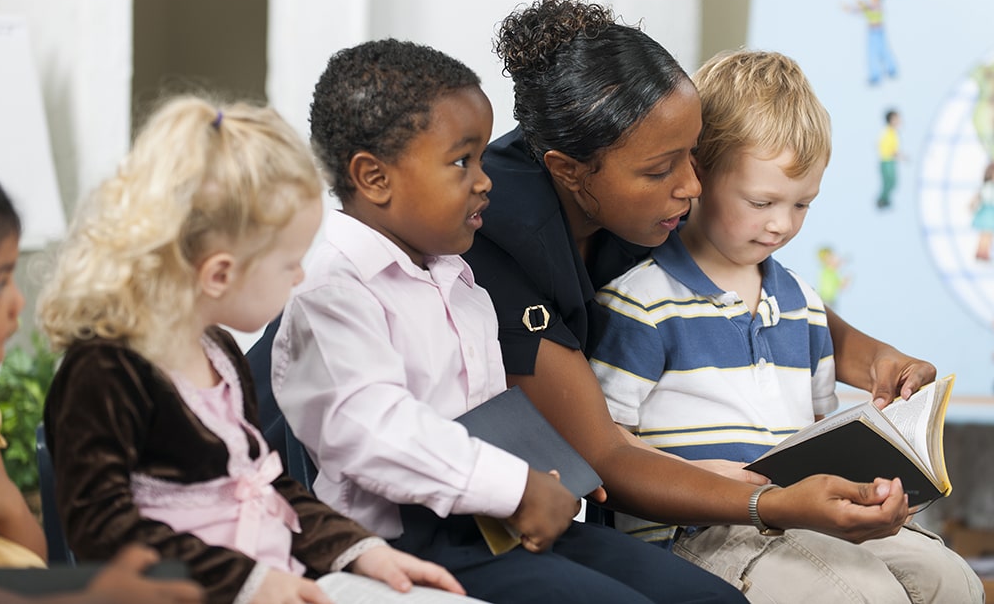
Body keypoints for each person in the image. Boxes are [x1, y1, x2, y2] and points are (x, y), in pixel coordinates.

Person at [461, 0, 933, 582]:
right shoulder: (504, 253)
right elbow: (606, 451)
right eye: (663, 169)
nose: (693, 187)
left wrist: (874, 362)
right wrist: (773, 504)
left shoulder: (651, 195)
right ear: (569, 172)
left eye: (694, 157)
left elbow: (776, 300)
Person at [271, 38, 746, 604]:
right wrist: (514, 485)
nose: (484, 179)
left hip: (502, 521)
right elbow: (378, 431)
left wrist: (549, 468)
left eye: (479, 159)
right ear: (374, 178)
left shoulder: (457, 279)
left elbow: (485, 409)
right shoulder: (333, 289)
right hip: (414, 541)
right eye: (460, 162)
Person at [590, 49, 983, 602]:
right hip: (697, 533)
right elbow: (607, 451)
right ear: (697, 175)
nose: (782, 224)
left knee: (953, 580)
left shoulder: (801, 303)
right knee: (861, 596)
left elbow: (818, 438)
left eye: (802, 205)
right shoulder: (642, 304)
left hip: (804, 522)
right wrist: (719, 482)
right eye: (762, 201)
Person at [36, 97, 465, 604]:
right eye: (288, 263)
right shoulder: (104, 372)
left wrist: (360, 549)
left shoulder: (216, 353)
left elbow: (267, 486)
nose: (301, 276)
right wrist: (251, 582)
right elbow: (101, 530)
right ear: (219, 273)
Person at [0, 178, 204, 603]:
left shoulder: (215, 357)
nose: (17, 302)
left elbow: (29, 548)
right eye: (0, 282)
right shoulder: (98, 379)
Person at [845, 0, 898, 86]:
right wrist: (851, 8)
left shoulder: (876, 3)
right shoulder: (871, 3)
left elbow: (868, 8)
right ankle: (877, 75)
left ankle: (889, 70)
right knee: (874, 53)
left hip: (877, 31)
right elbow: (862, 10)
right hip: (873, 31)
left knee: (881, 51)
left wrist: (861, 4)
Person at [876, 108, 903, 209]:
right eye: (897, 118)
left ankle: (884, 200)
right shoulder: (888, 132)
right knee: (889, 182)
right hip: (886, 161)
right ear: (891, 120)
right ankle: (882, 200)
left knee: (892, 182)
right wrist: (897, 155)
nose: (899, 121)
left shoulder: (893, 132)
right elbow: (885, 146)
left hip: (890, 161)